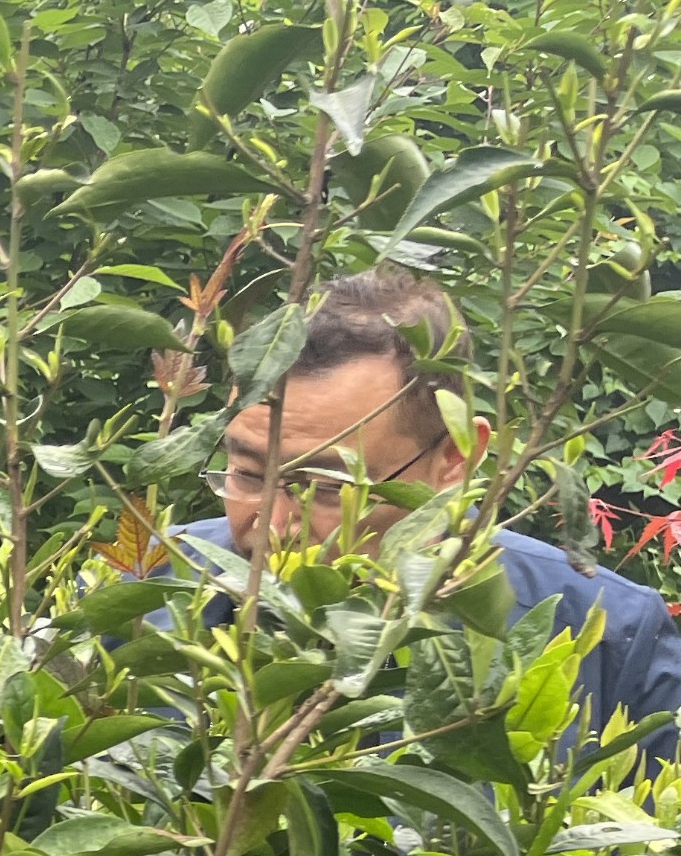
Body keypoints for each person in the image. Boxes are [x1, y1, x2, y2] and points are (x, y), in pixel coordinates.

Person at [181, 266, 681, 753]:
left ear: (455, 460)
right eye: (247, 474)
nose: (271, 526)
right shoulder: (157, 591)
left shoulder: (613, 635)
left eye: (327, 487)